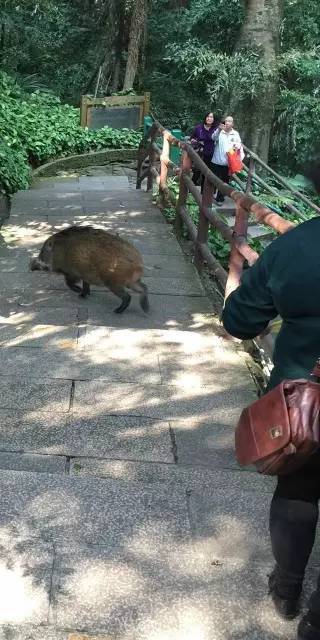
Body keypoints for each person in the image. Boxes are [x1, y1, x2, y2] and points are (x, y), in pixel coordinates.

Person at [221, 166, 320, 640]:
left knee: (297, 493)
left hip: (304, 404)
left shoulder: (296, 247)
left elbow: (238, 320)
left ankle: (286, 589)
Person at [211, 115, 244, 203]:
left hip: (228, 162)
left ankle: (220, 198)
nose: (227, 122)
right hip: (217, 161)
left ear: (232, 124)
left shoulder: (235, 133)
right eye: (226, 121)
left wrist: (237, 146)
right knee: (214, 179)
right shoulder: (219, 132)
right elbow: (213, 138)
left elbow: (239, 144)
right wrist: (218, 129)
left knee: (225, 181)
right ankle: (211, 195)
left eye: (229, 121)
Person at [189, 112, 217, 189]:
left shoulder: (216, 129)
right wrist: (193, 140)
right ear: (205, 118)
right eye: (208, 116)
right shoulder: (199, 127)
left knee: (207, 172)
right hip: (199, 152)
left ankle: (203, 190)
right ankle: (191, 189)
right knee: (197, 170)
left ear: (214, 119)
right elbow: (192, 137)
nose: (209, 118)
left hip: (211, 153)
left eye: (211, 117)